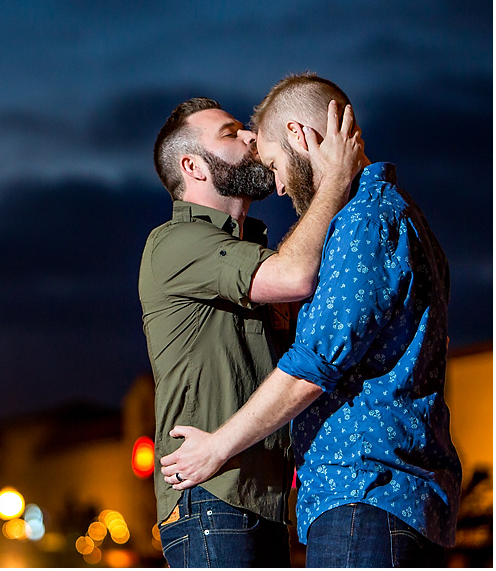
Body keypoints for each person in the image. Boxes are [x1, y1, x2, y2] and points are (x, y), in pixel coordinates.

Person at [159, 73, 462, 567]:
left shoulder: (362, 222)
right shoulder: (403, 218)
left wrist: (217, 446)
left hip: (365, 489)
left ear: (301, 137)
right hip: (394, 494)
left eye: (275, 162)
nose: (276, 183)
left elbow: (316, 360)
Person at [139, 95, 363, 567]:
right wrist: (336, 178)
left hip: (262, 501)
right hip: (212, 499)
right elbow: (295, 276)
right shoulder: (175, 243)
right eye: (229, 133)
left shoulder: (250, 250)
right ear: (193, 167)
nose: (249, 137)